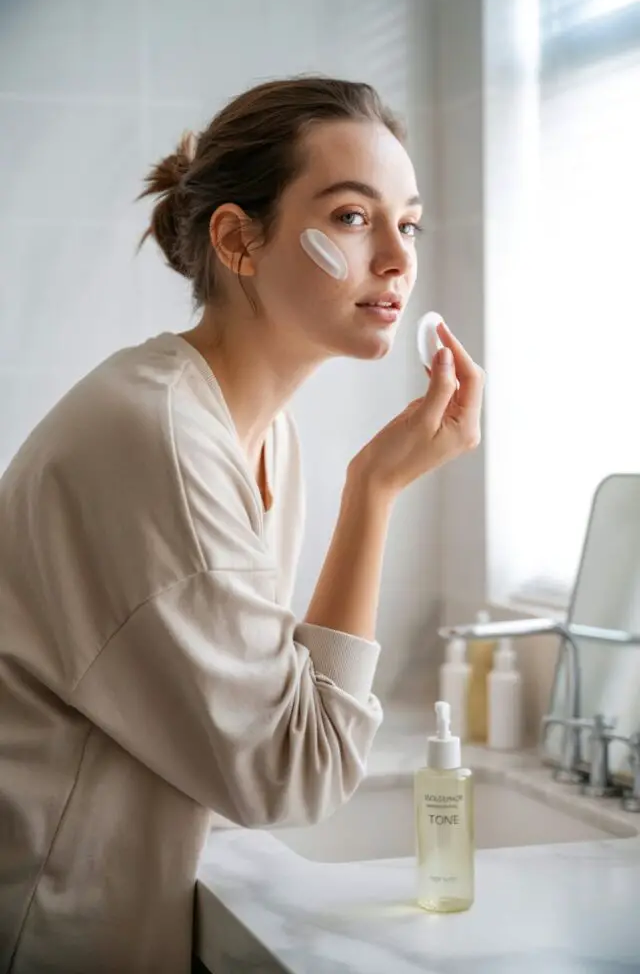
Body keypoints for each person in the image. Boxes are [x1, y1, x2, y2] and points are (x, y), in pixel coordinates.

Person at [0, 76, 484, 974]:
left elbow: (265, 712)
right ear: (237, 240)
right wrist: (373, 492)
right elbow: (294, 773)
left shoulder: (253, 431)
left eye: (406, 224)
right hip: (45, 923)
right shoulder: (164, 442)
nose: (396, 260)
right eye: (350, 217)